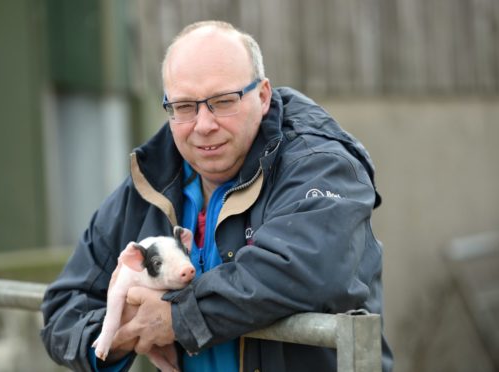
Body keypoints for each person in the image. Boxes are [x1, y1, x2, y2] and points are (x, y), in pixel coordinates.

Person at [41, 20, 393, 372]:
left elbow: (307, 268)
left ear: (263, 95)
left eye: (223, 102)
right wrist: (119, 334)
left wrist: (176, 317)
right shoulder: (152, 179)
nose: (203, 124)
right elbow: (63, 308)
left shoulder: (319, 164)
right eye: (184, 106)